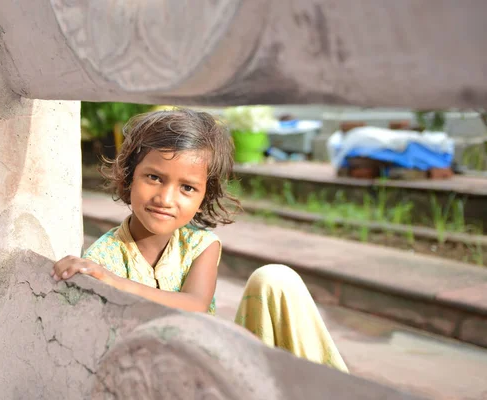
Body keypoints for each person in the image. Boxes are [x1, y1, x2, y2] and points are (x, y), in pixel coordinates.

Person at [52, 108, 348, 372]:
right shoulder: (102, 258)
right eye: (153, 177)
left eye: (187, 188)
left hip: (208, 364)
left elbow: (194, 304)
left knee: (277, 278)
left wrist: (115, 282)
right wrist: (101, 276)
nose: (165, 199)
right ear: (129, 177)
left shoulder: (200, 245)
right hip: (158, 378)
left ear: (204, 195)